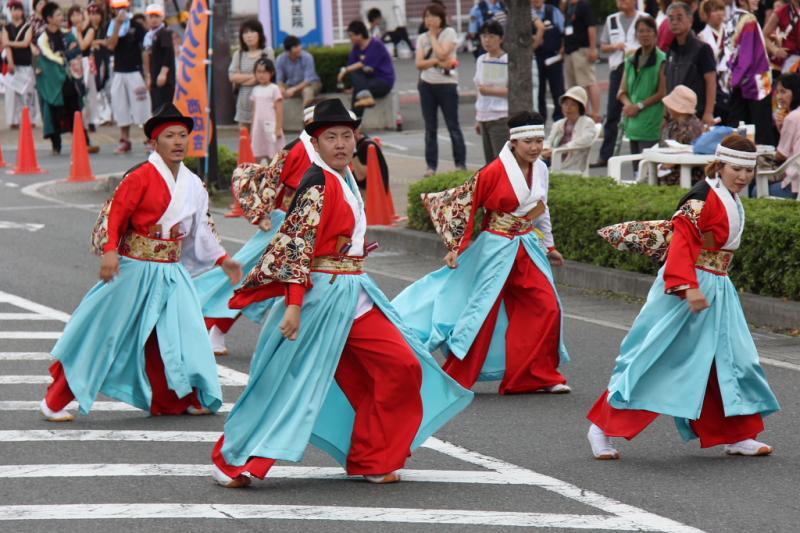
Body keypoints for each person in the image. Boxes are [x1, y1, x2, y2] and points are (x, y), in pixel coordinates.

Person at [210, 98, 473, 488]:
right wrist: (294, 305)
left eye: (346, 136)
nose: (340, 144)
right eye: (330, 137)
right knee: (286, 382)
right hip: (318, 296)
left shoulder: (344, 178)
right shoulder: (317, 183)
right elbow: (296, 245)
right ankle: (231, 459)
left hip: (354, 292)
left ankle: (372, 458)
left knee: (402, 365)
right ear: (315, 144)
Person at [39, 103, 243, 423]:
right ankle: (54, 400)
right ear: (153, 142)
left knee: (180, 334)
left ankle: (176, 400)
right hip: (135, 267)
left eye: (182, 135)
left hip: (172, 271)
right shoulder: (140, 177)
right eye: (169, 136)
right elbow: (116, 216)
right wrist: (110, 251)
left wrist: (223, 258)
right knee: (103, 333)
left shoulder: (193, 183)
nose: (178, 141)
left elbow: (201, 228)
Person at [588, 134, 780, 460]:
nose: (743, 176)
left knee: (732, 360)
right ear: (720, 165)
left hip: (717, 285)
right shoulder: (700, 199)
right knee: (656, 359)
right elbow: (682, 244)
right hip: (690, 285)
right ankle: (601, 428)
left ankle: (736, 434)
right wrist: (687, 287)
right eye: (736, 169)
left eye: (749, 170)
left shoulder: (728, 197)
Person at [394, 111, 570, 395]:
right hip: (497, 246)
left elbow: (541, 208)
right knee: (481, 314)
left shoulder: (541, 168)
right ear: (513, 142)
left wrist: (549, 245)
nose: (535, 147)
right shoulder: (493, 172)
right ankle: (455, 378)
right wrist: (456, 247)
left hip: (527, 245)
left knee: (547, 306)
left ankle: (534, 376)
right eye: (528, 142)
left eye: (539, 141)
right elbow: (464, 205)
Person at [195, 106, 319, 357]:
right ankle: (214, 326)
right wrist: (261, 213)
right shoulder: (296, 149)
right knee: (251, 279)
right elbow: (270, 180)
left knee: (304, 284)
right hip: (286, 225)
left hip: (314, 228)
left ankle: (299, 341)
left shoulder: (329, 152)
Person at [593, 0, 647, 167]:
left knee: (639, 109)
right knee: (612, 112)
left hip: (639, 68)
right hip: (618, 67)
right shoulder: (612, 19)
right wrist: (614, 46)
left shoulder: (644, 18)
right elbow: (603, 46)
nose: (622, 2)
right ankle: (605, 155)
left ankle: (641, 156)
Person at [416, 3, 467, 176]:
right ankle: (431, 167)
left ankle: (460, 164)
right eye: (426, 17)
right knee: (430, 128)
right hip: (426, 85)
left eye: (433, 16)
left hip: (447, 85)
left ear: (441, 18)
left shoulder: (449, 33)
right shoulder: (421, 38)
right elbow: (419, 63)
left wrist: (432, 37)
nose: (429, 20)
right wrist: (437, 62)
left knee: (453, 126)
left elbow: (443, 53)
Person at [36, 2, 93, 155]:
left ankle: (84, 142)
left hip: (69, 79)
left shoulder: (67, 34)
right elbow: (46, 59)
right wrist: (65, 56)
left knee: (75, 109)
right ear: (49, 18)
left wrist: (63, 55)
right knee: (54, 112)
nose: (62, 17)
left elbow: (76, 50)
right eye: (58, 14)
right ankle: (56, 145)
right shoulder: (43, 38)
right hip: (53, 82)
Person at [722, 0, 775, 145]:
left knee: (738, 130)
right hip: (757, 82)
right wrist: (737, 78)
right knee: (761, 132)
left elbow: (729, 53)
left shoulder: (730, 20)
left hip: (738, 79)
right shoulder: (749, 20)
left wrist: (734, 78)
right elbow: (747, 56)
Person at [617, 16, 666, 155]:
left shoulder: (662, 59)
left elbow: (662, 92)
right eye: (641, 31)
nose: (645, 34)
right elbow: (621, 91)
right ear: (636, 35)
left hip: (651, 121)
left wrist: (638, 106)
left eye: (649, 31)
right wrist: (629, 106)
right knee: (635, 165)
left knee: (647, 164)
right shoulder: (630, 60)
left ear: (655, 34)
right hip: (632, 122)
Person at [105, 0, 149, 154]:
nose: (121, 11)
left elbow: (145, 49)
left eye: (123, 7)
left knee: (142, 106)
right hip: (119, 72)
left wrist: (147, 73)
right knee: (120, 106)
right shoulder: (111, 25)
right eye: (117, 8)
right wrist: (117, 25)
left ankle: (148, 139)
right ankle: (125, 139)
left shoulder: (136, 26)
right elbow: (111, 45)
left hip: (135, 72)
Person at [665, 2, 716, 127]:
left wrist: (708, 113)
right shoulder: (670, 51)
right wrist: (666, 114)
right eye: (671, 18)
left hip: (696, 114)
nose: (674, 22)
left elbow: (711, 82)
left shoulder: (702, 48)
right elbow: (667, 83)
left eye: (679, 18)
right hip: (675, 114)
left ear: (690, 20)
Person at [338, 20, 396, 114]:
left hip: (383, 82)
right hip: (368, 81)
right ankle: (358, 115)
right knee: (357, 84)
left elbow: (362, 64)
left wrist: (344, 71)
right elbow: (352, 67)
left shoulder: (376, 44)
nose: (350, 39)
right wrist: (353, 85)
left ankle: (355, 120)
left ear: (360, 35)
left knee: (358, 90)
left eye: (351, 35)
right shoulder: (356, 48)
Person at [474, 21, 509, 164]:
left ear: (501, 39)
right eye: (484, 36)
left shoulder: (507, 60)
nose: (487, 40)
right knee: (489, 162)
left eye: (491, 36)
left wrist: (489, 91)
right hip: (484, 116)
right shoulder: (481, 59)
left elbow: (513, 91)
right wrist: (478, 117)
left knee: (501, 160)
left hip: (500, 116)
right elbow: (478, 89)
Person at [229, 18, 274, 128]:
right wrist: (254, 76)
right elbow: (232, 77)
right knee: (244, 136)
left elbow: (267, 76)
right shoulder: (238, 54)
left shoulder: (267, 52)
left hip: (263, 103)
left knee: (262, 135)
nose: (249, 35)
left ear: (259, 34)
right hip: (243, 105)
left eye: (252, 31)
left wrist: (242, 79)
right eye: (245, 32)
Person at [2, 0, 39, 128]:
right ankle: (13, 120)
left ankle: (30, 119)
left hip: (26, 63)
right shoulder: (6, 28)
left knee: (28, 93)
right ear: (10, 11)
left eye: (19, 9)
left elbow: (26, 42)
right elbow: (6, 46)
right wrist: (10, 62)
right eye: (14, 10)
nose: (16, 12)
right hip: (13, 64)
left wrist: (9, 43)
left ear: (22, 11)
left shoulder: (28, 27)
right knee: (11, 94)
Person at [541, 86, 597, 172]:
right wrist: (546, 149)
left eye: (573, 104)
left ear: (580, 107)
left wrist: (558, 150)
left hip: (572, 163)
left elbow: (585, 140)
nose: (568, 107)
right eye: (565, 104)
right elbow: (549, 140)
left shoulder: (587, 123)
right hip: (553, 158)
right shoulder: (558, 124)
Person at [563, 0, 601, 122]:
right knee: (574, 86)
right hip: (570, 50)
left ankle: (595, 113)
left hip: (582, 49)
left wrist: (593, 48)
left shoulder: (584, 5)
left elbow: (591, 27)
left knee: (588, 82)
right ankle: (582, 113)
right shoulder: (569, 6)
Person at [659, 84, 704, 184]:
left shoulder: (692, 128)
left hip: (686, 175)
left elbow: (692, 152)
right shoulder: (673, 123)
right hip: (669, 170)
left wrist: (668, 164)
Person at [532, 0, 566, 122]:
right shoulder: (528, 14)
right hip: (536, 57)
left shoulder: (553, 11)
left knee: (558, 90)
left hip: (553, 56)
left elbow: (563, 31)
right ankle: (540, 120)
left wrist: (563, 49)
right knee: (539, 92)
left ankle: (560, 119)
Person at [698, 0, 729, 124]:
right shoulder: (701, 37)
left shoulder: (731, 32)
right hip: (714, 83)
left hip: (730, 81)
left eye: (721, 9)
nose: (719, 13)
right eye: (715, 10)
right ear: (706, 14)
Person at [249, 57, 284, 162]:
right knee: (257, 152)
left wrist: (278, 128)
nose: (261, 75)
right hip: (258, 126)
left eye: (264, 72)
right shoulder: (255, 90)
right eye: (258, 72)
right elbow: (254, 111)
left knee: (273, 154)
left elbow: (279, 110)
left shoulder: (274, 89)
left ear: (271, 73)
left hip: (271, 126)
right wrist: (252, 129)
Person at [771, 73, 800, 198]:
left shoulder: (792, 118)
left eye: (783, 92)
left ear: (795, 92)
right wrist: (781, 128)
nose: (779, 97)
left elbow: (782, 154)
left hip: (795, 184)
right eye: (777, 92)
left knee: (755, 190)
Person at [143, 3, 175, 112]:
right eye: (151, 16)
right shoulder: (149, 35)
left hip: (164, 80)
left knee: (164, 108)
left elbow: (168, 53)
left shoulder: (164, 33)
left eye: (157, 16)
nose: (154, 19)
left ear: (162, 17)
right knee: (156, 107)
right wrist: (148, 76)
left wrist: (163, 73)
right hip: (154, 76)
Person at [275, 35, 322, 107]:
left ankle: (305, 113)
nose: (299, 48)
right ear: (288, 51)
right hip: (291, 84)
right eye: (296, 47)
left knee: (307, 91)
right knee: (276, 91)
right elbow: (279, 79)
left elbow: (308, 80)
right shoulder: (280, 59)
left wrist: (293, 89)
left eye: (299, 45)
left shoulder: (307, 57)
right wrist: (281, 88)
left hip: (311, 84)